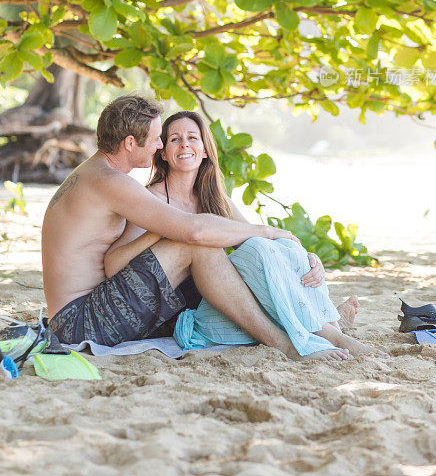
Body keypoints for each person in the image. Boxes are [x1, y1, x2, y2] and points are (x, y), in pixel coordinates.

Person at [42, 95, 329, 361]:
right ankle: (284, 344)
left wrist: (296, 252)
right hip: (81, 322)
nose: (158, 146)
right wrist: (267, 230)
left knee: (221, 265)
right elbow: (193, 231)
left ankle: (315, 324)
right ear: (130, 143)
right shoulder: (111, 181)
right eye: (157, 139)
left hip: (83, 313)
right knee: (193, 246)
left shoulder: (94, 173)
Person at [104, 110, 370, 361]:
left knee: (268, 246)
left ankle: (330, 327)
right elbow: (112, 265)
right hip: (191, 312)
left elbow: (265, 246)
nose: (184, 144)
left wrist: (312, 259)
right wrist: (160, 229)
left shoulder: (217, 200)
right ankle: (331, 328)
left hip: (226, 302)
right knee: (260, 260)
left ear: (205, 150)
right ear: (163, 153)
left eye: (192, 138)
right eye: (175, 139)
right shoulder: (152, 198)